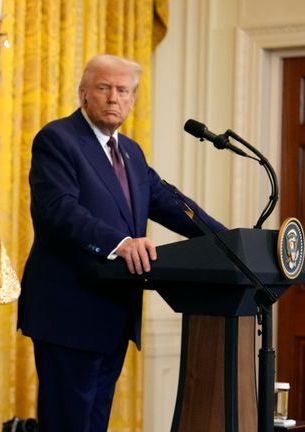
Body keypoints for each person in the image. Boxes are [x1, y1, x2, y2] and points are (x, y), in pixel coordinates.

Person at [18, 54, 225, 431]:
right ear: (84, 94)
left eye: (123, 91)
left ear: (132, 100)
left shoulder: (130, 151)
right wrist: (121, 242)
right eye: (104, 88)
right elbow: (59, 210)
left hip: (114, 311)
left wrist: (229, 242)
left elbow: (170, 202)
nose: (114, 98)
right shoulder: (57, 140)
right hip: (69, 311)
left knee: (96, 423)